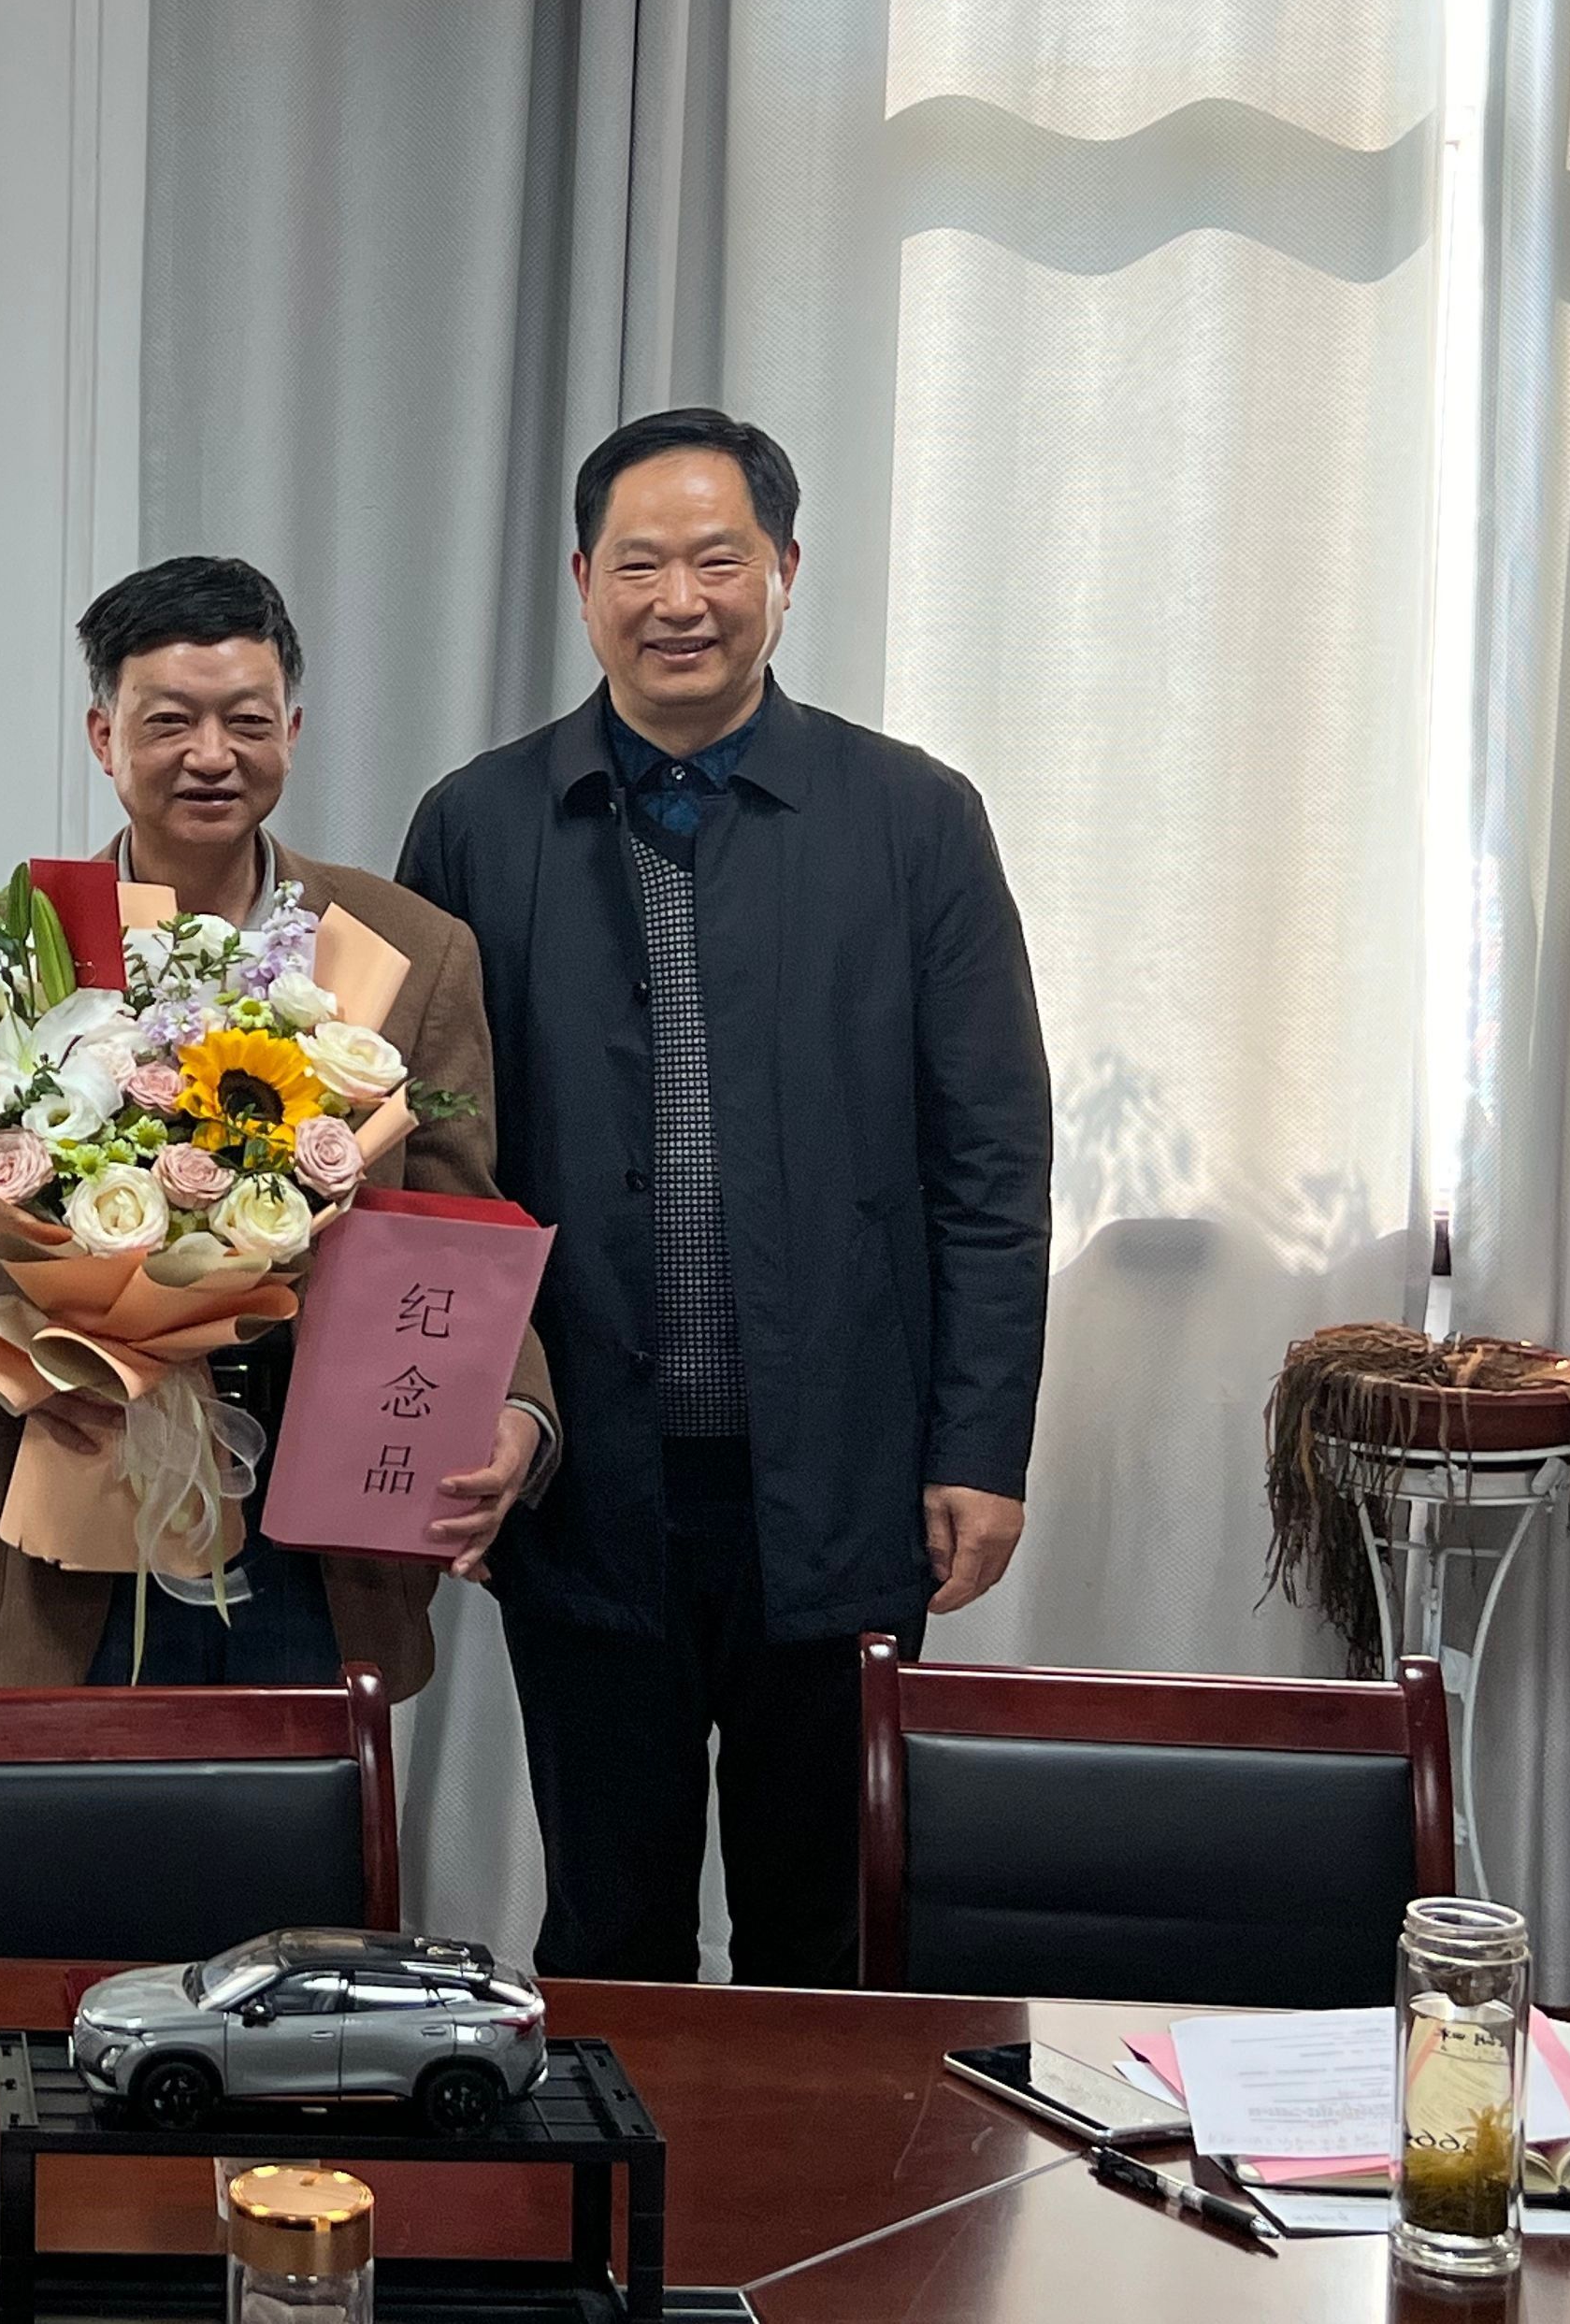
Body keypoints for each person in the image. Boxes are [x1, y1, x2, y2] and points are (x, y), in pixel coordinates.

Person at [397, 409, 1051, 1987]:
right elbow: (419, 1163)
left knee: (823, 1931)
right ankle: (603, 2162)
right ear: (580, 583)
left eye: (717, 559)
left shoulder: (914, 817)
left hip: (844, 1475)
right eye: (639, 564)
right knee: (605, 1923)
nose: (678, 600)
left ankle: (808, 2164)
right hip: (579, 1481)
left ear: (786, 569)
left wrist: (978, 1444)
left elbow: (991, 1157)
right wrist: (443, 1431)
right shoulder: (477, 822)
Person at [0, 557, 556, 1693]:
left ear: (294, 732)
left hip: (320, 1522)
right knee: (79, 1807)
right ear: (103, 735)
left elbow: (454, 1223)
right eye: (169, 720)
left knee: (311, 1806)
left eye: (247, 721)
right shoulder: (3, 948)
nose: (211, 755)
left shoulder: (409, 947)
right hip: (70, 1483)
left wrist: (516, 1405)